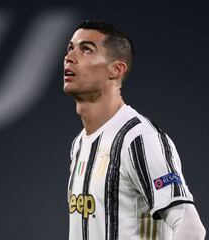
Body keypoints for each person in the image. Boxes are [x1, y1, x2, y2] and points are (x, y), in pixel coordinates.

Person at [64, 20, 206, 240]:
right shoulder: (80, 143)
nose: (70, 57)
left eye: (86, 49)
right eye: (70, 48)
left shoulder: (139, 139)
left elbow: (190, 229)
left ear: (116, 70)